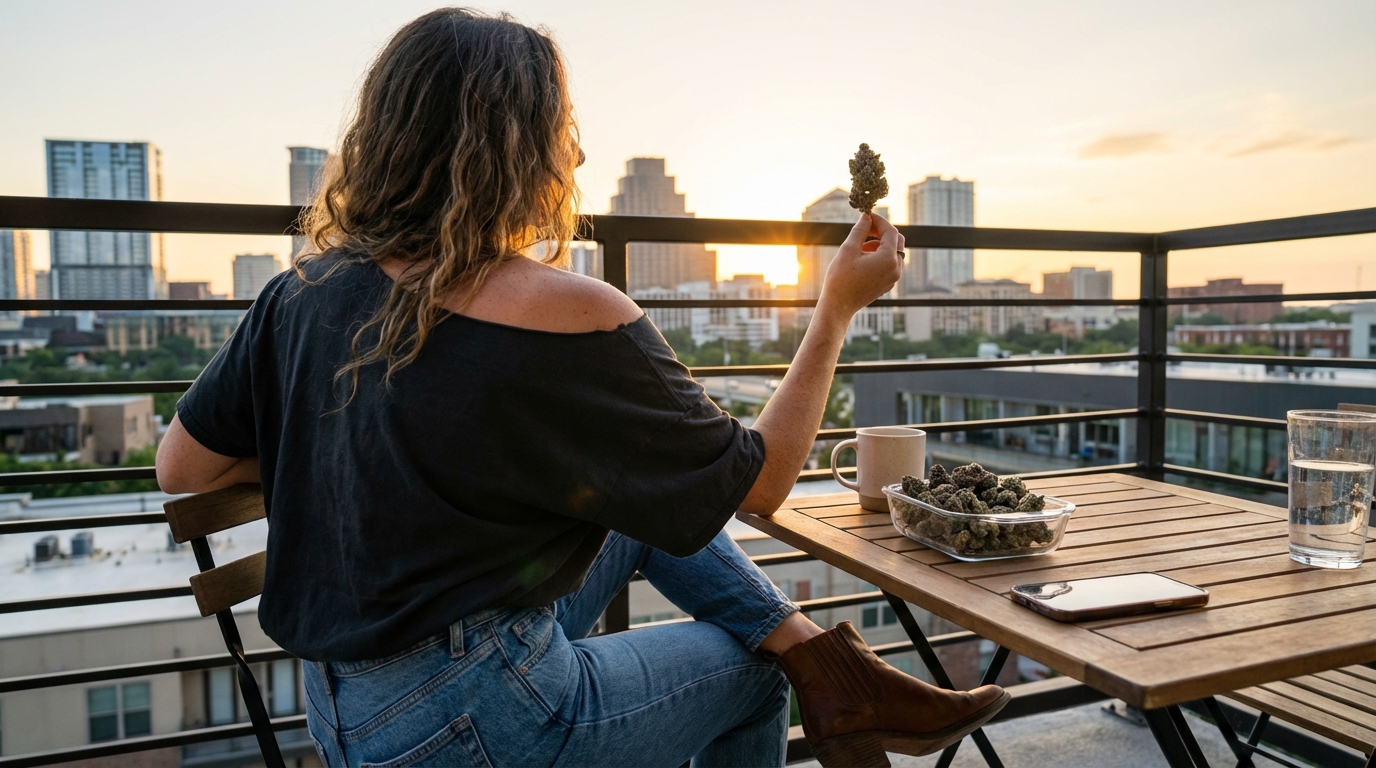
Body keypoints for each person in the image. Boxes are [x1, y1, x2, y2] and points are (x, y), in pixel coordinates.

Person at [155, 8, 1007, 768]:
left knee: (645, 523)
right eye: (561, 124)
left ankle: (823, 659)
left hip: (340, 710)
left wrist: (354, 455)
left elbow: (181, 469)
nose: (579, 150)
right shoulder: (566, 311)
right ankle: (818, 669)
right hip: (475, 721)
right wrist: (833, 311)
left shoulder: (300, 290)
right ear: (515, 147)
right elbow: (760, 484)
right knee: (754, 673)